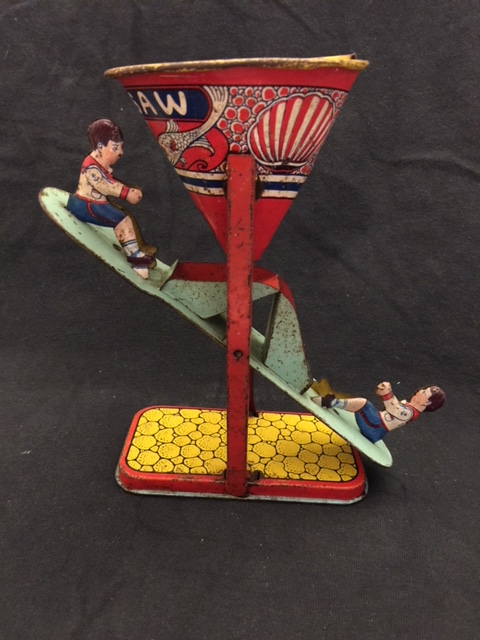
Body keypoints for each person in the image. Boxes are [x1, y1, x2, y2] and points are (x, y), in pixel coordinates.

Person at [66, 118, 156, 279]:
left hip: (93, 203)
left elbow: (109, 181)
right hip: (86, 205)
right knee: (122, 221)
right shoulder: (91, 167)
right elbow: (105, 186)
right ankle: (135, 257)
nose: (121, 152)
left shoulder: (99, 165)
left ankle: (137, 249)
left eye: (121, 147)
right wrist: (127, 193)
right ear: (101, 147)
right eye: (115, 147)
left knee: (123, 216)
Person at [312, 381, 445, 443]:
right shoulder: (409, 406)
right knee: (363, 404)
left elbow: (393, 408)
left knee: (364, 403)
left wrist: (387, 392)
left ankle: (330, 403)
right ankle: (333, 402)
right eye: (423, 390)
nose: (420, 391)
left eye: (424, 393)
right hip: (375, 421)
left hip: (375, 427)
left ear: (427, 403)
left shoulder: (409, 413)